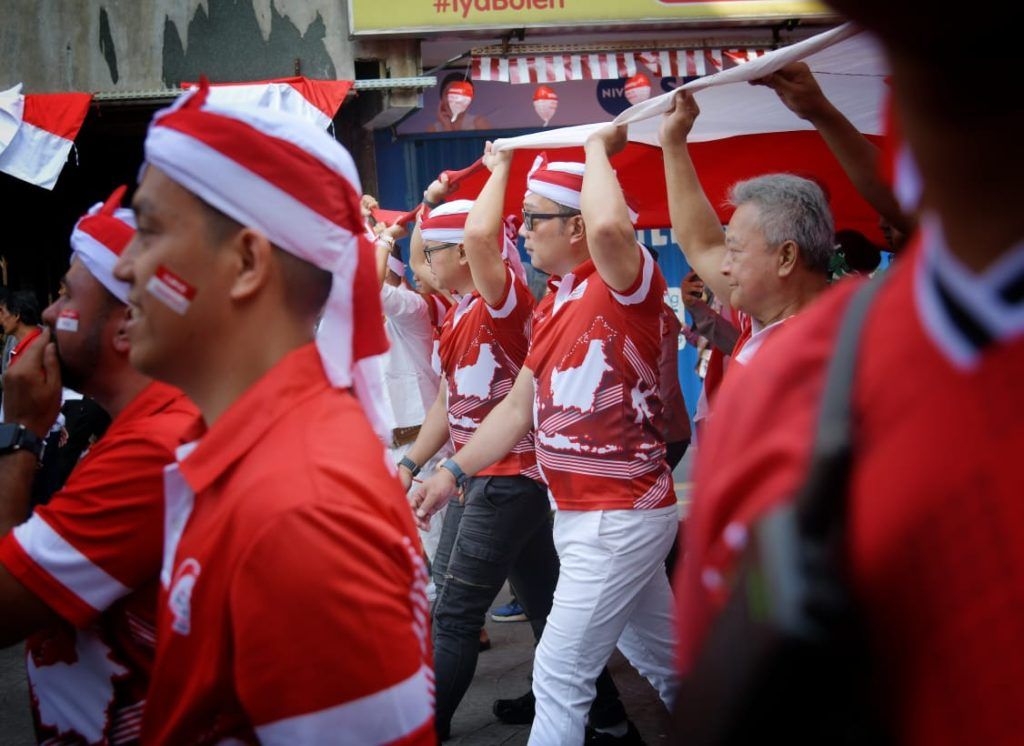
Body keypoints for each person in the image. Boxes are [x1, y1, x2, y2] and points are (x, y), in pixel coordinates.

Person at [673, 6, 1024, 745]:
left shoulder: (816, 358)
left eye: (740, 246)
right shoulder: (789, 376)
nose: (722, 263)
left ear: (787, 259)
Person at [111, 82, 434, 743]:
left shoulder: (303, 513)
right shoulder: (247, 461)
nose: (122, 267)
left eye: (146, 230)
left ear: (248, 261)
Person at [413, 130, 678, 745]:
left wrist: (594, 149)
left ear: (578, 227)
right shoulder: (557, 300)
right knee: (671, 665)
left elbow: (613, 231)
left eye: (535, 220)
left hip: (616, 513)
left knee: (558, 678)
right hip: (585, 511)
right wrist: (450, 472)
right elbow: (515, 408)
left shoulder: (624, 282)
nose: (523, 232)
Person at [0, 187, 198, 743]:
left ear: (126, 323)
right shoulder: (156, 426)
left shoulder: (154, 450)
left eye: (66, 296)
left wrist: (18, 435)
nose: (47, 312)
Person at [659, 89, 835, 379]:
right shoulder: (762, 316)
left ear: (786, 256)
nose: (724, 267)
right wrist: (673, 143)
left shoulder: (827, 353)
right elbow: (701, 244)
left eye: (735, 252)